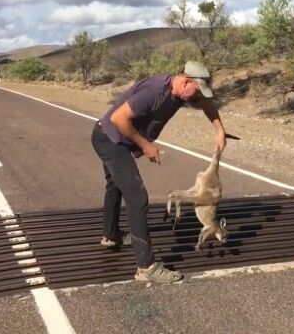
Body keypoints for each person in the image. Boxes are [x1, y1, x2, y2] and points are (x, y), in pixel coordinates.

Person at [91, 61, 227, 283]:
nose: (197, 95)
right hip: (110, 140)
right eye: (196, 89)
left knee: (115, 185)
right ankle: (147, 268)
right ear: (186, 81)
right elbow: (118, 118)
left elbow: (207, 104)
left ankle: (111, 235)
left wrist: (219, 131)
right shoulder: (154, 92)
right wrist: (145, 145)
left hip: (113, 139)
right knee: (137, 196)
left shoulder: (182, 91)